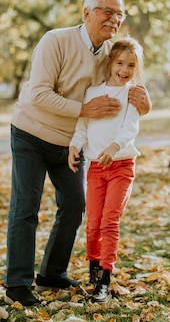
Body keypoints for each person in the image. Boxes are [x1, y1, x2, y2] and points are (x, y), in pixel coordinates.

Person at [4, 0, 151, 307]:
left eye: (119, 14)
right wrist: (84, 110)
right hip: (31, 133)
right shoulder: (55, 41)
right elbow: (37, 94)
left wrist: (145, 103)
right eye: (107, 11)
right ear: (87, 13)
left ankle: (51, 274)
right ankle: (17, 283)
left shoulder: (111, 54)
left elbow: (128, 90)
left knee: (73, 206)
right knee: (26, 207)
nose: (114, 19)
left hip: (70, 143)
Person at [68, 37, 145, 304]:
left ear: (137, 69)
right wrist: (74, 146)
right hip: (95, 168)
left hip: (121, 165)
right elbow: (82, 126)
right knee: (93, 223)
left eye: (131, 65)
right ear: (110, 63)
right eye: (120, 63)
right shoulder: (91, 92)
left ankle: (104, 280)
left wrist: (114, 147)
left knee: (110, 222)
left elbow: (130, 127)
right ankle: (93, 268)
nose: (124, 70)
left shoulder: (131, 93)